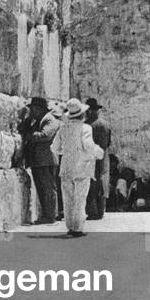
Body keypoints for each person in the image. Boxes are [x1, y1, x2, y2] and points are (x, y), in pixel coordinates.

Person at [51, 98, 104, 237]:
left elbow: (54, 147)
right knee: (80, 198)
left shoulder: (63, 128)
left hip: (66, 168)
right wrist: (99, 153)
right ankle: (78, 227)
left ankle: (70, 227)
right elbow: (88, 145)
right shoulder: (85, 128)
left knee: (68, 198)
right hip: (82, 168)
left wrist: (66, 153)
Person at [22, 97, 60, 224]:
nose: (31, 111)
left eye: (32, 108)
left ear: (39, 109)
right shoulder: (37, 120)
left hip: (46, 159)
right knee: (41, 188)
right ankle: (46, 214)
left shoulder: (50, 119)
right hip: (38, 160)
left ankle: (50, 216)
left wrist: (30, 136)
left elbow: (46, 135)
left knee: (48, 188)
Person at [84, 99, 111, 220]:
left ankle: (93, 211)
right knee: (102, 184)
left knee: (92, 185)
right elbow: (108, 142)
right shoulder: (105, 124)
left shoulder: (89, 125)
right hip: (104, 157)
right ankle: (101, 210)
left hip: (92, 157)